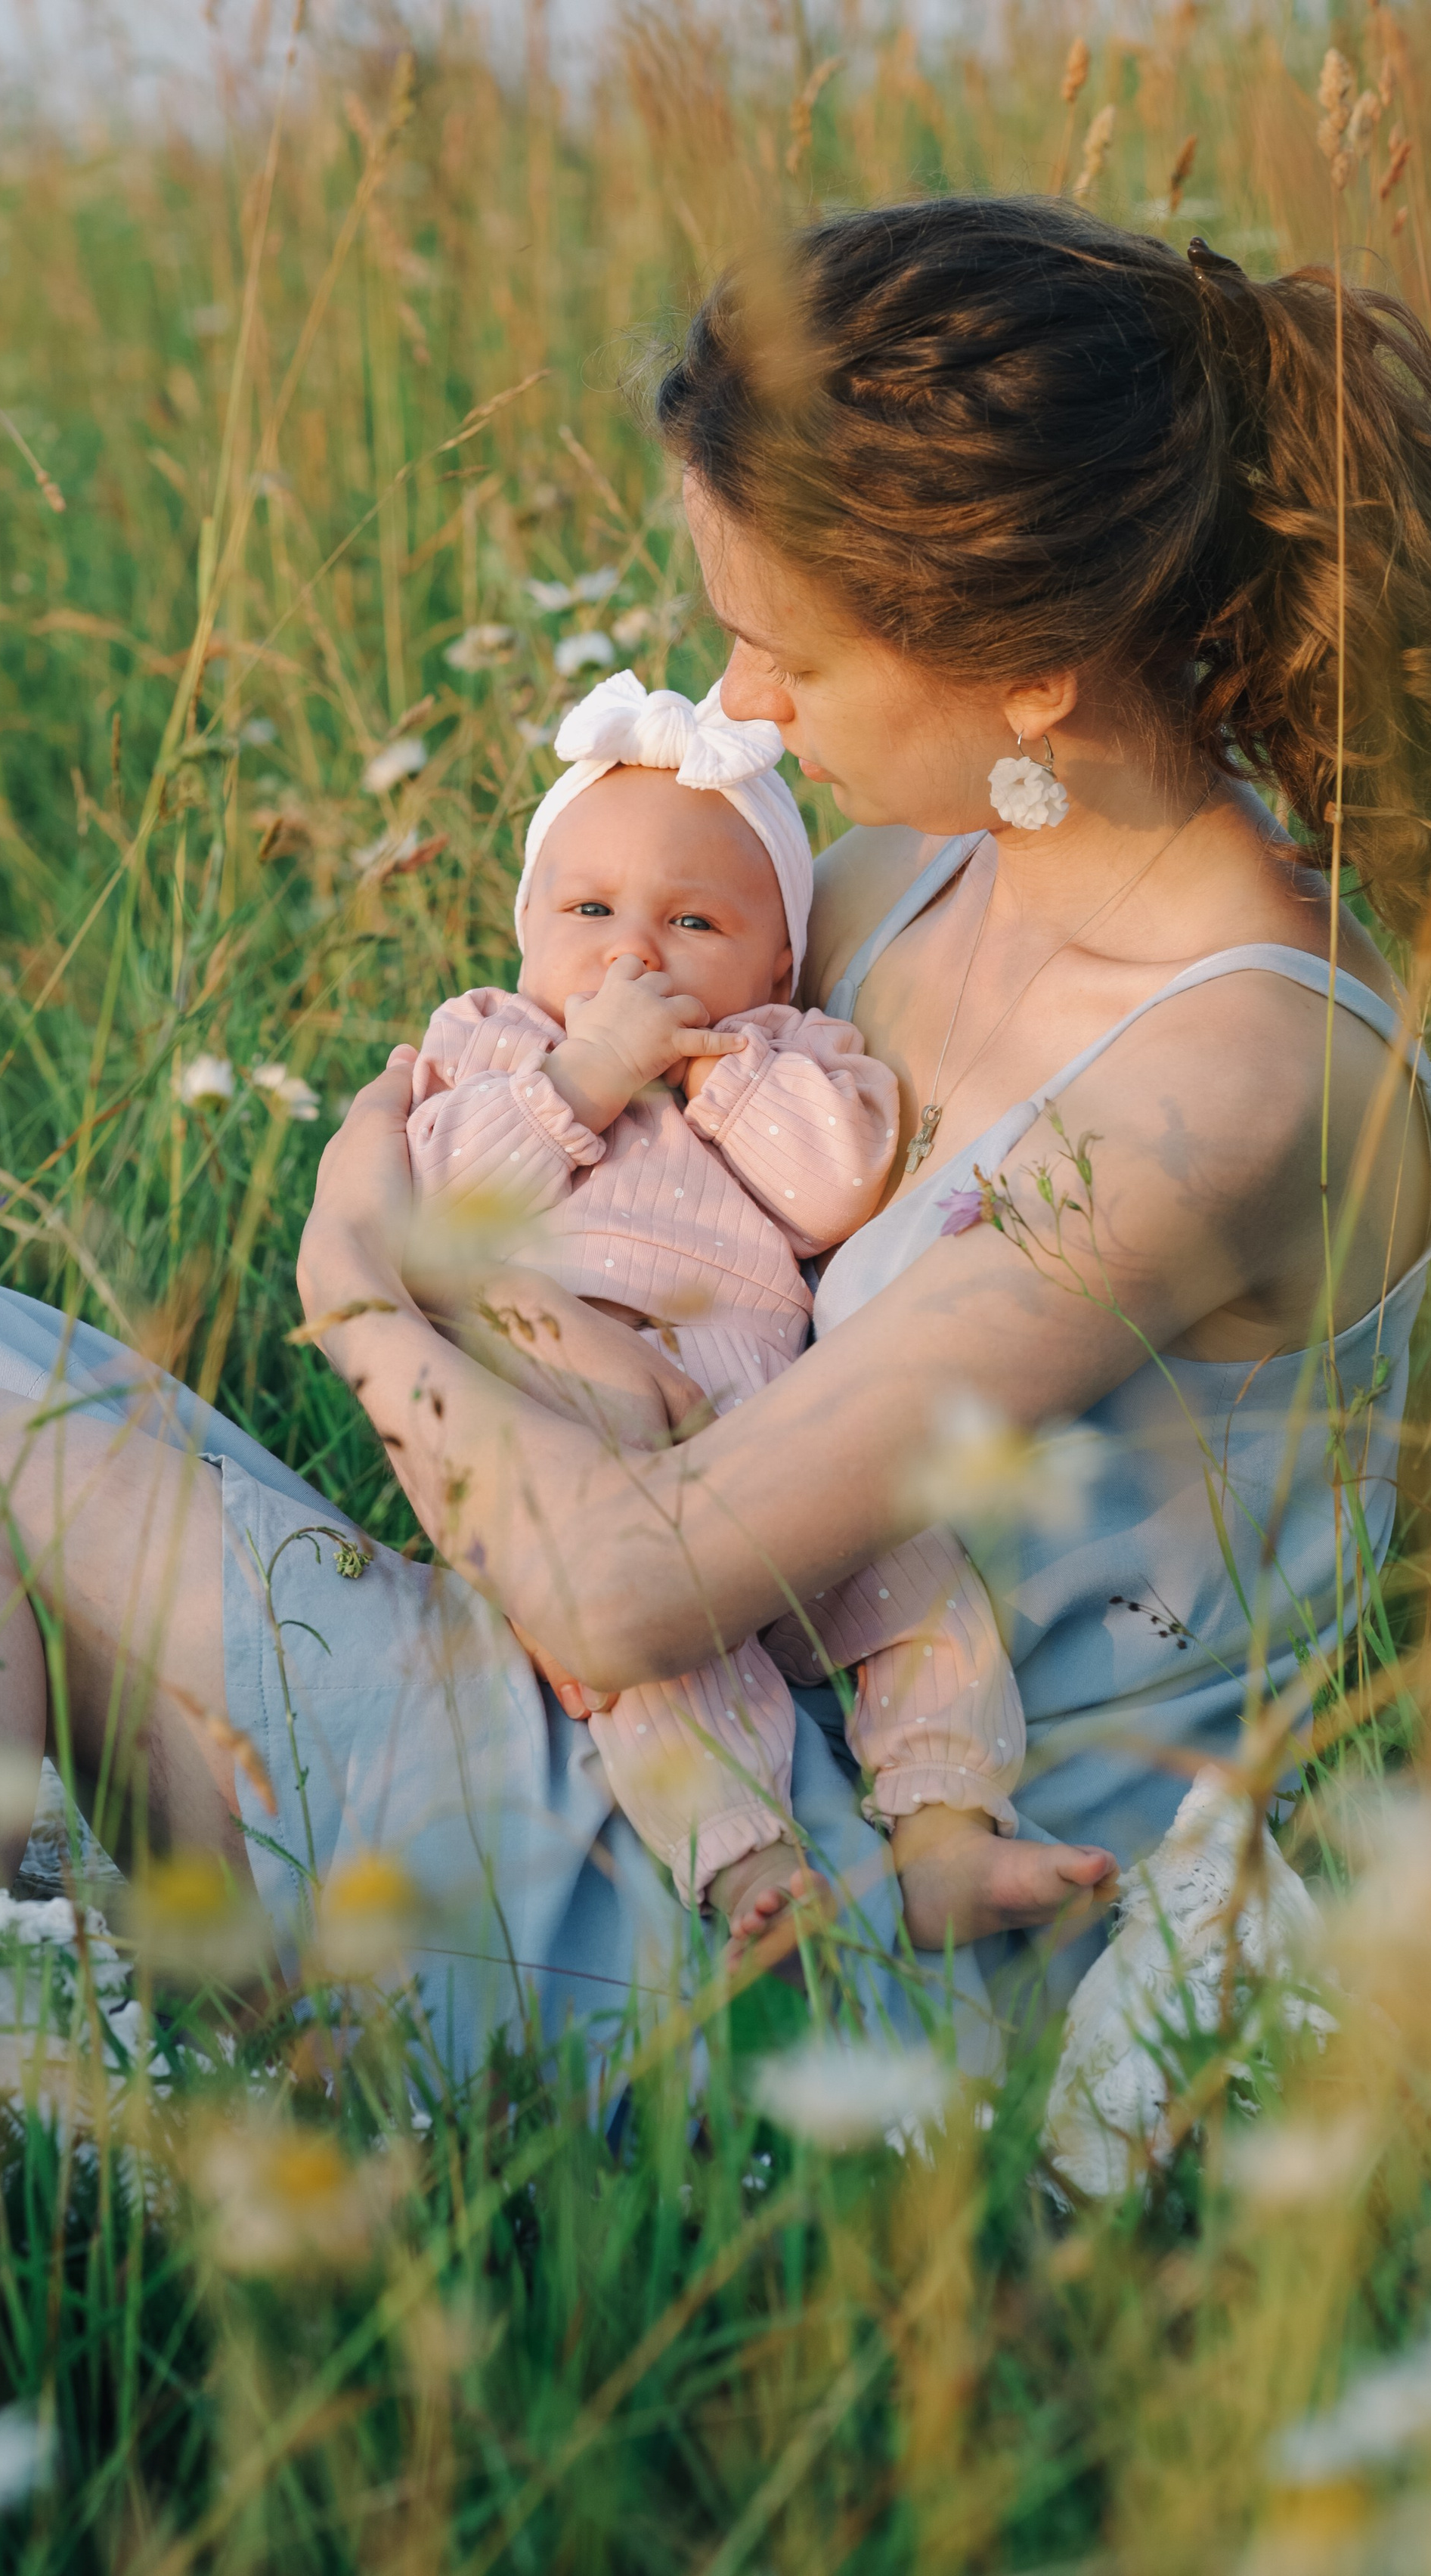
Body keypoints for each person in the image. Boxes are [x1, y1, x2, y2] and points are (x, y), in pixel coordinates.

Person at [0, 201, 1431, 2074]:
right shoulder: (891, 882)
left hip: (852, 1917)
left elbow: (628, 1589)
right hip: (647, 1737)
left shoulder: (1247, 1077)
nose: (737, 708)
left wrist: (360, 1289)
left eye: (785, 653)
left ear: (1030, 666)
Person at [406, 665, 1030, 1948]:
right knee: (656, 1652)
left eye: (694, 923)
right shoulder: (497, 1041)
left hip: (774, 1417)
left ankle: (948, 1831)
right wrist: (585, 1076)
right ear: (526, 925)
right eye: (589, 909)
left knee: (920, 1581)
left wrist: (717, 1073)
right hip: (568, 1407)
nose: (633, 951)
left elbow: (837, 1187)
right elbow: (440, 1201)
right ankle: (745, 1858)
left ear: (778, 962)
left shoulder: (787, 1055)